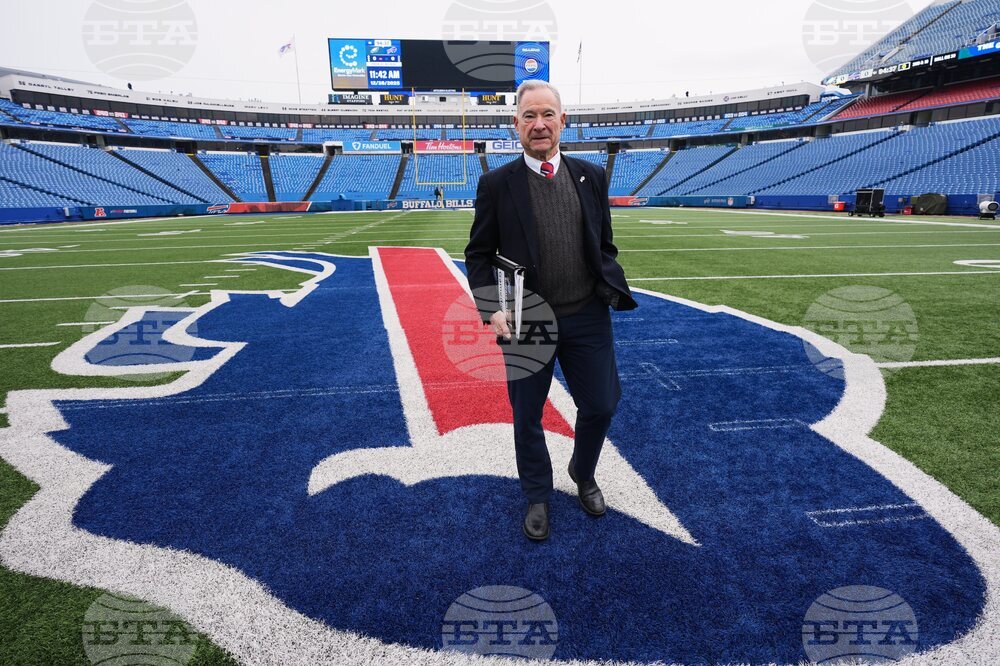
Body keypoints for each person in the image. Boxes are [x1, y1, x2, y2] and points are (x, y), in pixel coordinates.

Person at [464, 80, 637, 541]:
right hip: (528, 317)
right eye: (528, 116)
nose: (538, 124)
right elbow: (478, 253)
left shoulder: (592, 176)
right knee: (528, 413)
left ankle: (583, 471)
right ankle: (538, 493)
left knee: (602, 403)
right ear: (515, 125)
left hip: (586, 313)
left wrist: (607, 278)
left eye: (547, 115)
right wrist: (490, 307)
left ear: (563, 121)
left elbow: (604, 243)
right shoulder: (497, 184)